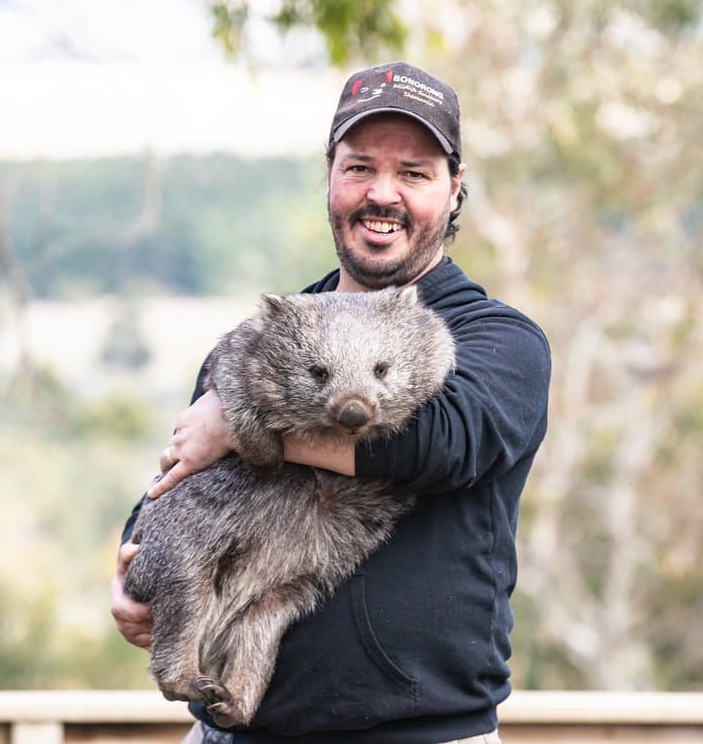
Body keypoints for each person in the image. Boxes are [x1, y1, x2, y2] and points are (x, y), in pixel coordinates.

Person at [110, 61, 552, 744]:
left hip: (420, 734)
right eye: (360, 168)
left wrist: (244, 423)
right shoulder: (269, 339)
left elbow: (438, 441)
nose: (383, 193)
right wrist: (133, 566)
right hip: (236, 729)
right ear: (330, 175)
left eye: (413, 172)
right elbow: (177, 479)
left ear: (455, 188)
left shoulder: (499, 340)